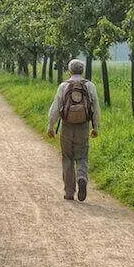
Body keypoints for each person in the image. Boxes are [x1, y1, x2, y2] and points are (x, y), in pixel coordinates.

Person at [47, 58, 100, 201]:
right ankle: (82, 177)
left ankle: (69, 192)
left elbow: (56, 107)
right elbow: (95, 108)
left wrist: (51, 126)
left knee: (67, 158)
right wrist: (95, 127)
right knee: (82, 156)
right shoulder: (90, 86)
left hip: (67, 126)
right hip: (83, 126)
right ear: (82, 70)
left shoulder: (64, 85)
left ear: (69, 70)